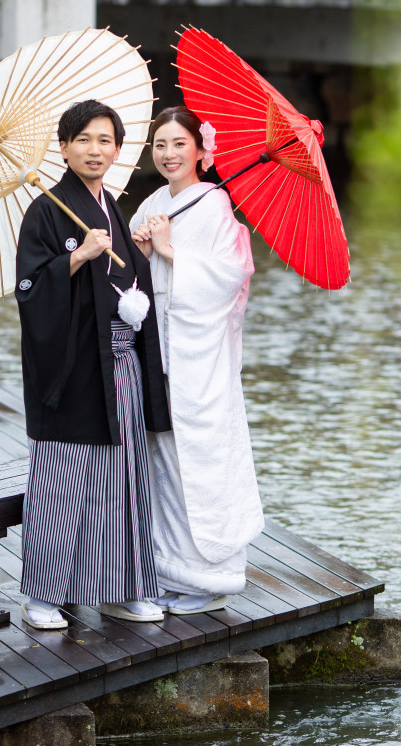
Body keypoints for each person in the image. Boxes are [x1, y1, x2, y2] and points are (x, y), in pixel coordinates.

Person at [15, 99, 171, 630]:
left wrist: (141, 261)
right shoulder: (46, 210)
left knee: (122, 479)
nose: (95, 149)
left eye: (105, 140)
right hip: (72, 368)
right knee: (65, 481)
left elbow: (127, 287)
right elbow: (30, 290)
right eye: (83, 139)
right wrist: (76, 257)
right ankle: (43, 595)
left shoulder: (112, 211)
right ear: (63, 147)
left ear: (118, 150)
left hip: (119, 367)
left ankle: (122, 588)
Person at [130, 106, 264, 614]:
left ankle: (211, 578)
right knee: (163, 459)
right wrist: (139, 251)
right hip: (156, 348)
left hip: (199, 355)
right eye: (160, 144)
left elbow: (231, 276)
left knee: (200, 459)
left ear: (202, 151)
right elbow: (127, 278)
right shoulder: (151, 203)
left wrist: (168, 252)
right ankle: (173, 569)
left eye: (179, 144)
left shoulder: (215, 208)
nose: (168, 154)